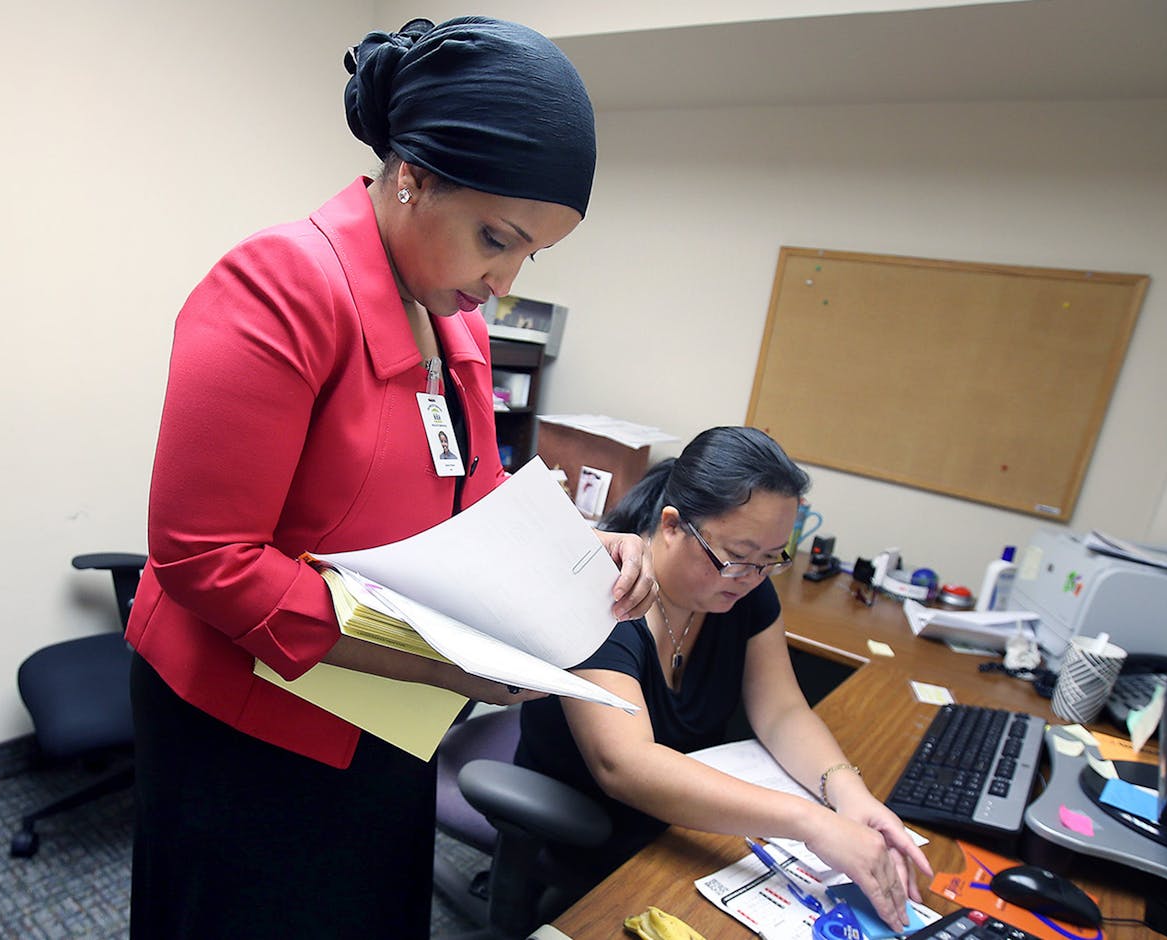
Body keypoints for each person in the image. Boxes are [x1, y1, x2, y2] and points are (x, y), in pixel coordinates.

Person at [124, 17, 654, 939]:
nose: (505, 277)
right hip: (249, 717)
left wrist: (580, 553)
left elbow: (476, 492)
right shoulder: (280, 284)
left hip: (383, 705)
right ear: (411, 176)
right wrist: (432, 658)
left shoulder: (457, 324)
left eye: (531, 252)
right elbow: (203, 559)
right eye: (496, 236)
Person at [515, 427, 933, 931]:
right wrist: (813, 822)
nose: (752, 577)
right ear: (672, 526)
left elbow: (782, 711)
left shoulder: (742, 587)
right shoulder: (609, 591)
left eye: (770, 559)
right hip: (592, 826)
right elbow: (624, 764)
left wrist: (848, 794)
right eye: (738, 557)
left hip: (685, 822)